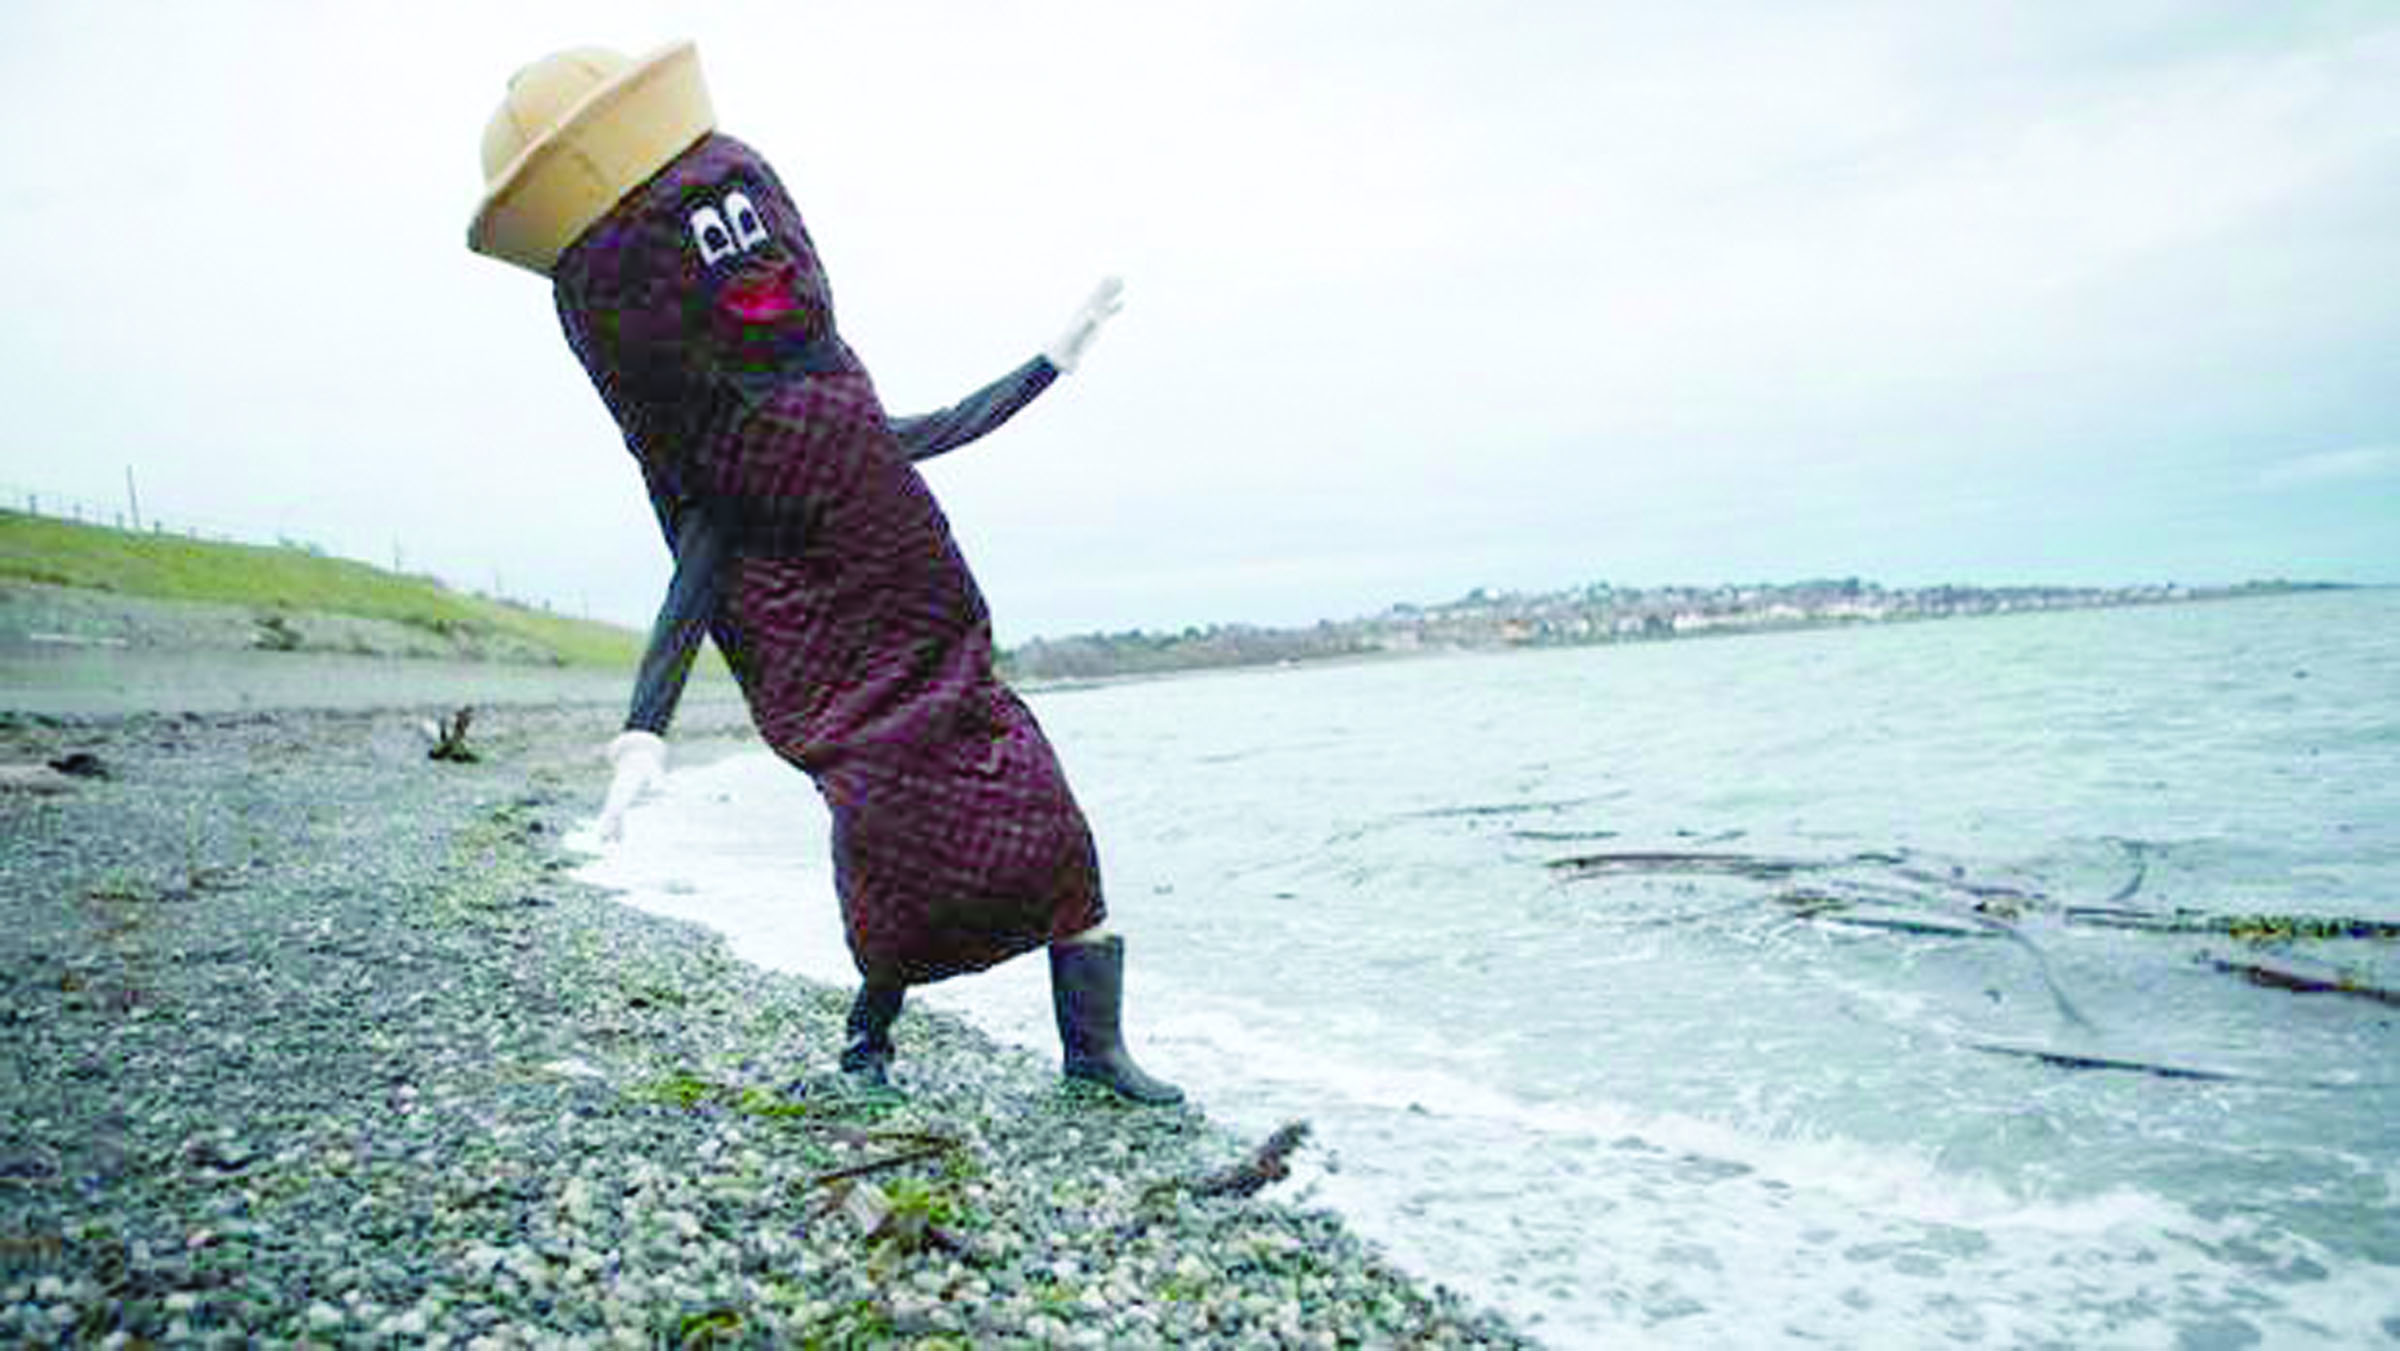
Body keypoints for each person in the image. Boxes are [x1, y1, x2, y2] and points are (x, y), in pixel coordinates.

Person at [466, 41, 1179, 1104]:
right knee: (896, 873)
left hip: (950, 662)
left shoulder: (825, 394)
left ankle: (1096, 1052)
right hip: (848, 699)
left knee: (1056, 840)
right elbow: (693, 586)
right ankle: (868, 1043)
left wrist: (1049, 362)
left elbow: (924, 430)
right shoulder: (713, 453)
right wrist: (642, 734)